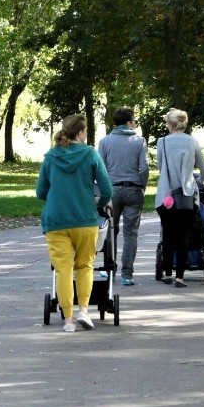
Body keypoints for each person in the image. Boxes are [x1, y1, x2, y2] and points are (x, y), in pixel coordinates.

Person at [36, 114, 113, 332]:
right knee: (84, 265)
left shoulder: (51, 157)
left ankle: (68, 319)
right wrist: (101, 205)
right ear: (80, 133)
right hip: (84, 219)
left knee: (63, 270)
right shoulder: (90, 154)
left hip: (56, 221)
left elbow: (41, 192)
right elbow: (106, 190)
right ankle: (84, 311)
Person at [155, 108, 204, 288]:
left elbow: (161, 167)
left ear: (170, 124)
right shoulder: (192, 141)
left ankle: (167, 273)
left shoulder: (161, 142)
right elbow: (203, 167)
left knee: (168, 235)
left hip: (166, 196)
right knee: (183, 236)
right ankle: (180, 278)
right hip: (186, 195)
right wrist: (202, 180)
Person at [97, 107, 149, 286]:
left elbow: (100, 169)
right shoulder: (139, 141)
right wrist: (142, 185)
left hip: (111, 190)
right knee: (131, 233)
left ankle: (108, 268)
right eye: (134, 120)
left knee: (110, 230)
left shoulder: (104, 142)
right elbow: (144, 167)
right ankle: (127, 274)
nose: (135, 123)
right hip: (134, 189)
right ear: (128, 122)